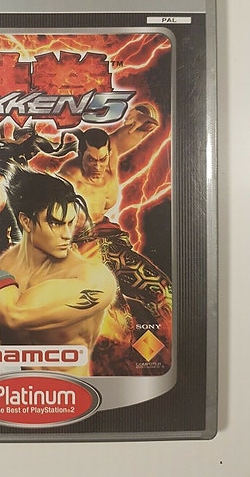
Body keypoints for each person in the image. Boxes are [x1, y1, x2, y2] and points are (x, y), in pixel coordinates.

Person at [0, 168, 117, 377]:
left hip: (70, 391)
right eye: (55, 223)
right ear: (26, 221)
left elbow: (14, 313)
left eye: (70, 223)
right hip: (13, 394)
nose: (67, 234)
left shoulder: (94, 279)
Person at [59, 106, 172, 374]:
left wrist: (139, 114)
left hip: (114, 243)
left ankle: (155, 361)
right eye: (91, 160)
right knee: (119, 325)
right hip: (85, 251)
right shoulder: (68, 179)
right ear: (81, 155)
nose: (98, 166)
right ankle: (131, 369)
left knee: (164, 294)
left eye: (102, 159)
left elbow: (148, 124)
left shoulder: (111, 151)